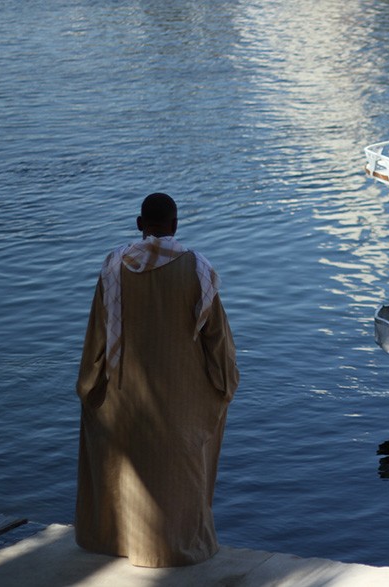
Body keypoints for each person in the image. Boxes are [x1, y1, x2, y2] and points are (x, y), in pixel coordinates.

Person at [75, 193, 239, 567]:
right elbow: (217, 340)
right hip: (183, 393)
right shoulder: (199, 269)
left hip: (124, 392)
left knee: (120, 458)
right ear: (176, 225)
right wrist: (224, 385)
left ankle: (116, 541)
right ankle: (178, 545)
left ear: (139, 224)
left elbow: (97, 334)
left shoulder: (113, 266)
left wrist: (90, 385)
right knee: (179, 469)